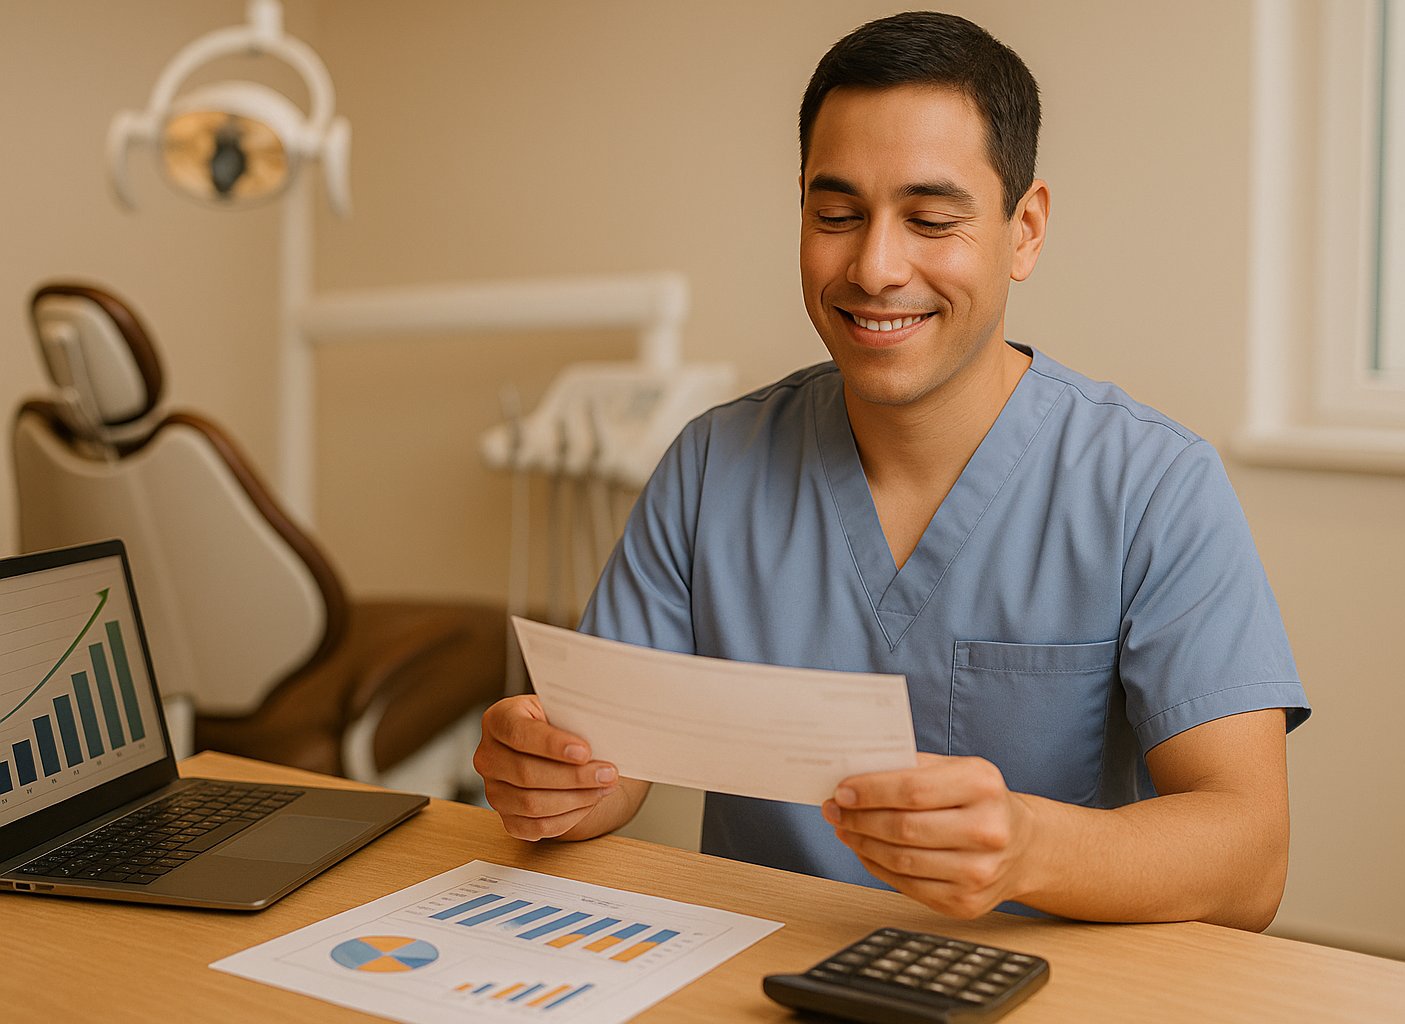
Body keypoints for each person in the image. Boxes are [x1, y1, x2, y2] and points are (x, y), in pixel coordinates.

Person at [474, 11, 1310, 931]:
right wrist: (551, 782)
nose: (874, 267)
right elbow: (610, 768)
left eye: (931, 219)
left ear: (1023, 230)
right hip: (760, 980)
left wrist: (1029, 846)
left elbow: (1249, 859)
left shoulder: (1153, 486)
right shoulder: (712, 467)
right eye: (837, 216)